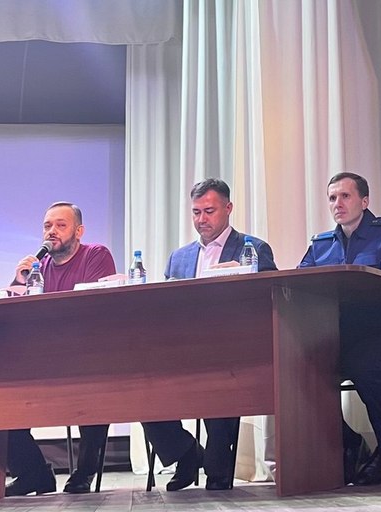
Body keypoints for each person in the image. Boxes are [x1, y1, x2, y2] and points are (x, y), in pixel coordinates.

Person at [142, 177, 277, 491]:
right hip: (184, 348)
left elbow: (269, 299)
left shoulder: (253, 249)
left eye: (209, 211)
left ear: (228, 209)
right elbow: (165, 308)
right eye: (196, 212)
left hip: (234, 348)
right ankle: (187, 453)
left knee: (220, 373)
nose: (201, 219)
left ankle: (217, 466)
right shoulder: (179, 257)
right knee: (141, 382)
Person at [298, 172, 381, 486]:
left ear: (364, 201)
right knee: (298, 368)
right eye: (332, 198)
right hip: (342, 338)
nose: (337, 203)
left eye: (345, 196)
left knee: (362, 361)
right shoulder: (321, 244)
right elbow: (300, 285)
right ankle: (350, 444)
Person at [5, 202, 117, 496]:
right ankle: (33, 473)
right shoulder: (37, 269)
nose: (51, 231)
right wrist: (19, 281)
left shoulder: (95, 255)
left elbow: (97, 307)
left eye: (60, 225)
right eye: (47, 226)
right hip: (45, 359)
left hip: (88, 356)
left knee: (93, 382)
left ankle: (84, 471)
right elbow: (12, 314)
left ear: (79, 231)